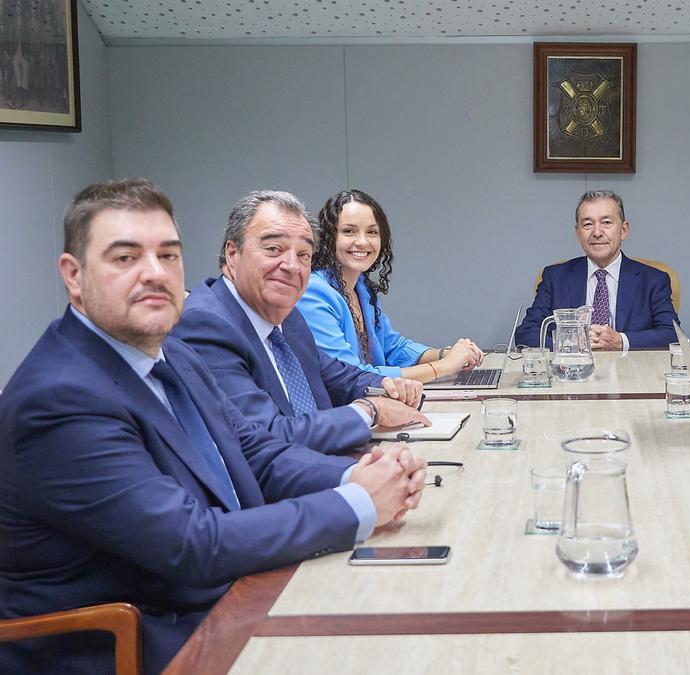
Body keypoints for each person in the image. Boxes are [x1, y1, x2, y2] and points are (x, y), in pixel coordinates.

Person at [0, 179, 426, 673]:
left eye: (168, 255)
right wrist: (356, 504)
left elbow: (256, 450)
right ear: (73, 276)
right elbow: (192, 545)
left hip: (219, 598)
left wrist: (360, 476)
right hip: (132, 641)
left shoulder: (172, 352)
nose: (154, 274)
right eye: (125, 258)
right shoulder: (59, 399)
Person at [173, 190, 429, 456]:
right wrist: (370, 411)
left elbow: (338, 376)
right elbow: (266, 436)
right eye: (274, 249)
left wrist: (387, 387)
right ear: (232, 253)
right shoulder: (207, 324)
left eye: (304, 254)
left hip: (323, 465)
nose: (292, 266)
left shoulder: (287, 315)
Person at [297, 189, 484, 383]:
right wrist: (443, 367)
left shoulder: (361, 288)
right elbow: (352, 376)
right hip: (341, 409)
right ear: (329, 237)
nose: (362, 241)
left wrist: (446, 354)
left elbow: (393, 347)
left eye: (372, 232)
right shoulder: (313, 292)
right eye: (348, 231)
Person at [514, 190, 679, 350]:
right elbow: (526, 333)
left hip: (631, 372)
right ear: (578, 233)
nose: (597, 233)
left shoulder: (653, 280)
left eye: (606, 223)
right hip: (572, 372)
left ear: (623, 230)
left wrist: (621, 341)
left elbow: (671, 334)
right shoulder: (555, 278)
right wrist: (571, 345)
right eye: (587, 224)